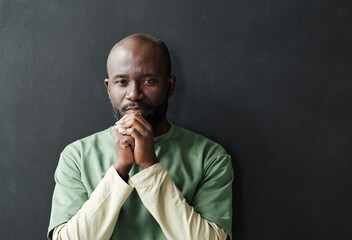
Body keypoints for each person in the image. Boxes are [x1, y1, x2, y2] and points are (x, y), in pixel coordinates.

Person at [47, 33, 233, 240]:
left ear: (169, 86)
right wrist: (119, 169)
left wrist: (149, 165)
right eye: (122, 82)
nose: (134, 94)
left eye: (149, 80)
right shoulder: (77, 156)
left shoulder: (210, 156)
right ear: (109, 88)